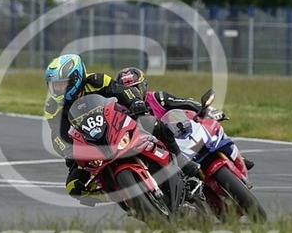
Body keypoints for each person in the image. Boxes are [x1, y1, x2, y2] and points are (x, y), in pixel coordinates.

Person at [43, 54, 201, 203]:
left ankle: (181, 162)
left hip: (115, 123)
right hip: (89, 141)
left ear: (76, 78)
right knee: (73, 186)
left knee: (153, 124)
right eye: (54, 86)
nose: (58, 89)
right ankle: (119, 198)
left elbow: (123, 91)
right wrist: (68, 150)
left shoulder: (97, 81)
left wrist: (135, 102)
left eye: (61, 84)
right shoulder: (53, 107)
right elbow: (57, 136)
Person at [115, 66, 254, 170]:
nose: (133, 93)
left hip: (178, 136)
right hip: (155, 150)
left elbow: (185, 102)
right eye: (127, 90)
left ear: (144, 85)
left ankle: (236, 155)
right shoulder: (120, 111)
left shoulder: (158, 98)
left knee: (210, 127)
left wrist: (208, 110)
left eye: (136, 88)